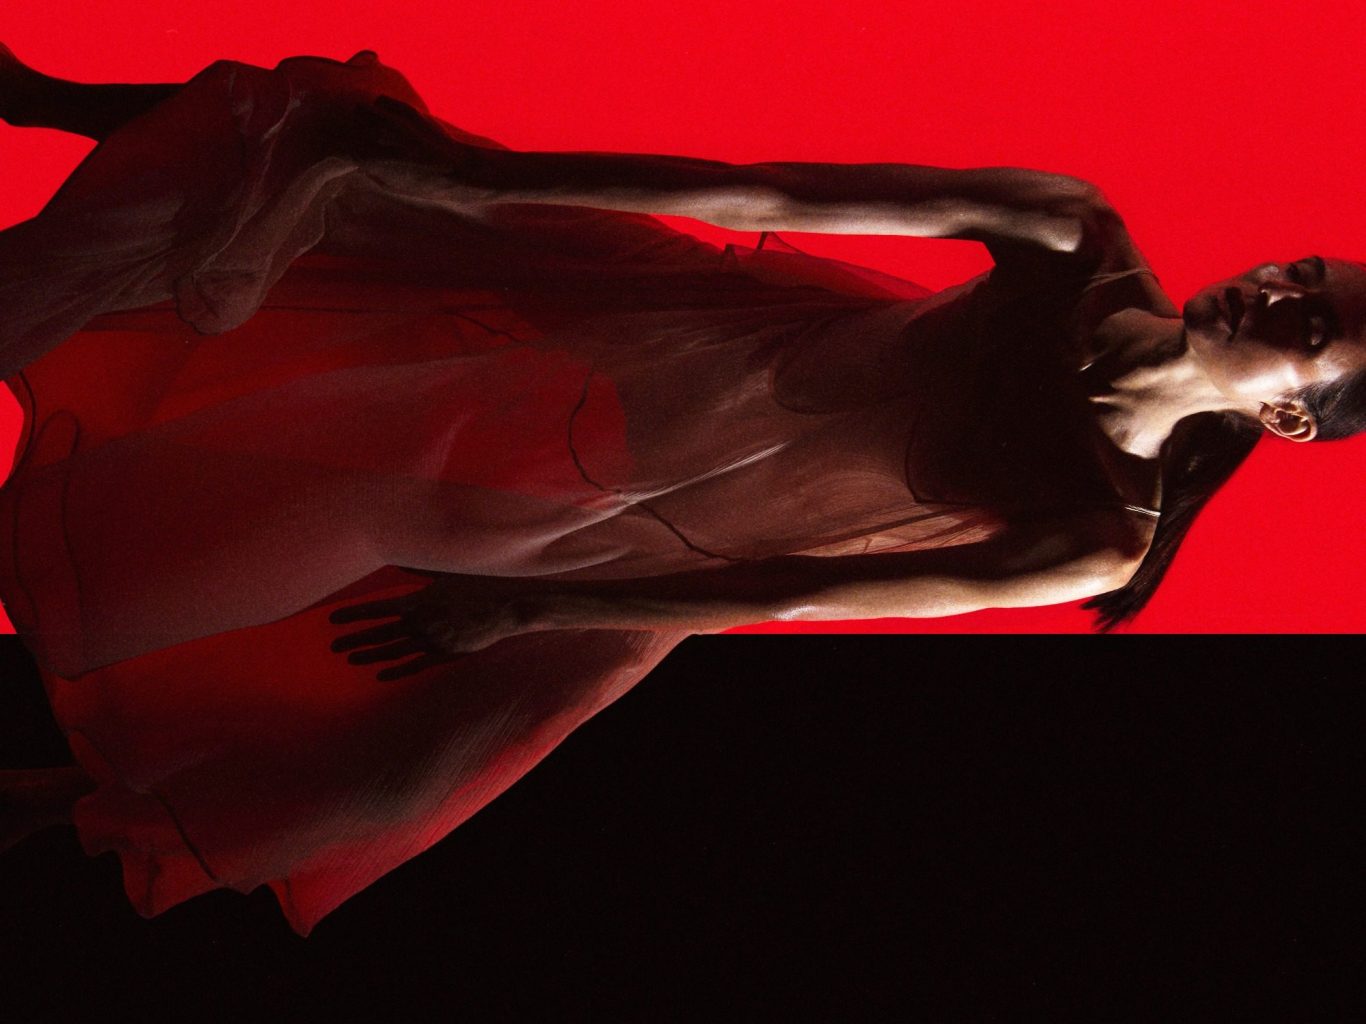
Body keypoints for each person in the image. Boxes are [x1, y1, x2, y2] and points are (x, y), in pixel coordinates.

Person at [1, 46, 1362, 934]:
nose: (1271, 289)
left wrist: (529, 611)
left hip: (670, 568)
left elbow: (796, 595)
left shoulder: (1098, 532)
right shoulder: (1074, 232)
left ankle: (62, 806)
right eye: (1300, 270)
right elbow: (765, 191)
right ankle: (62, 105)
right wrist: (486, 178)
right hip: (680, 372)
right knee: (388, 201)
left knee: (386, 777)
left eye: (1306, 324)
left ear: (1291, 418)